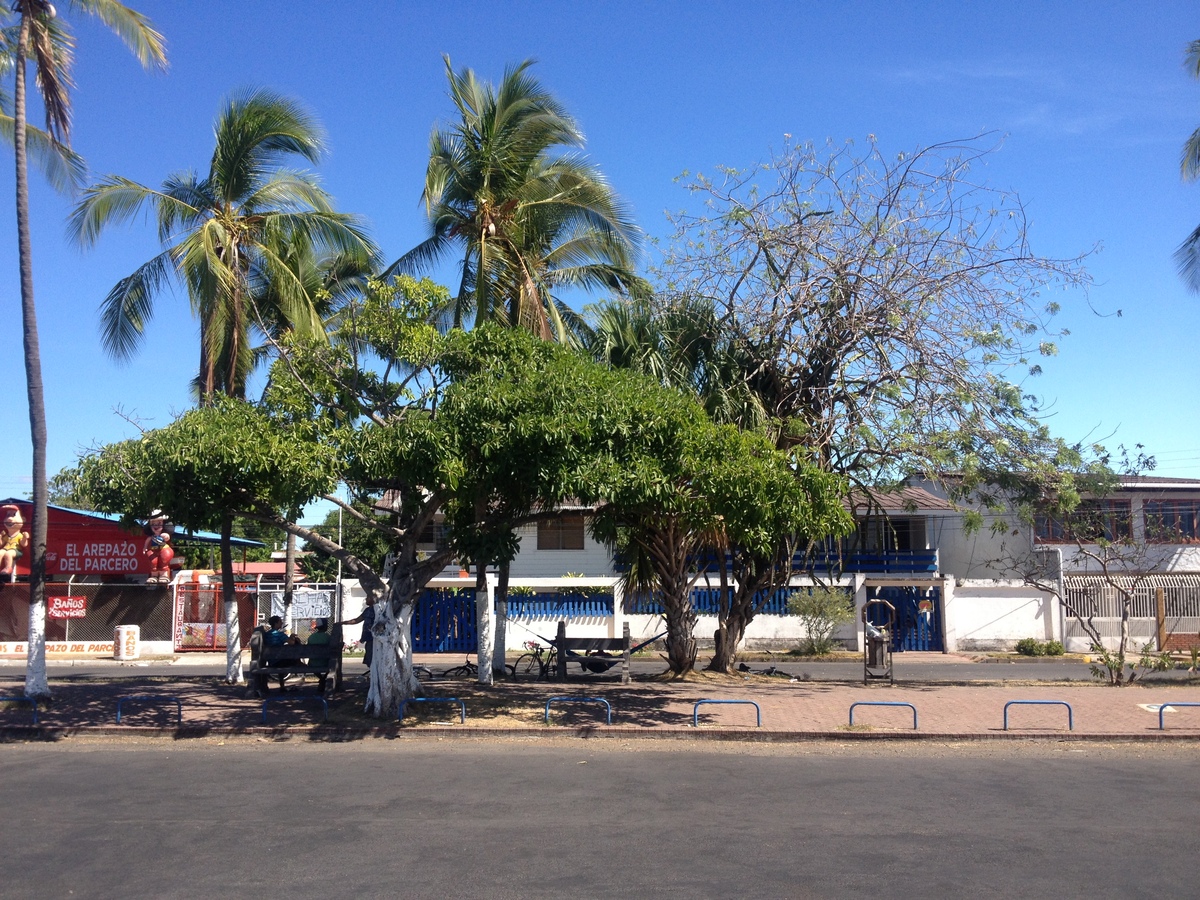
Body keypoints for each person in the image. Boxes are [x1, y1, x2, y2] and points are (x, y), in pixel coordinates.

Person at [340, 596, 376, 675]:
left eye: (368, 598)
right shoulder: (367, 610)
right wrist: (343, 623)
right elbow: (356, 620)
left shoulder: (378, 610)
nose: (366, 599)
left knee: (374, 658)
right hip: (368, 638)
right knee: (369, 658)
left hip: (375, 639)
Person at [142, 510, 175, 584]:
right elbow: (147, 541)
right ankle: (154, 576)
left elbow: (167, 538)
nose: (156, 526)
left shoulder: (163, 534)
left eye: (159, 523)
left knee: (164, 560)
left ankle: (164, 575)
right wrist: (145, 548)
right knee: (153, 562)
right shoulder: (152, 536)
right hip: (154, 550)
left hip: (163, 548)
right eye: (153, 523)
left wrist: (166, 536)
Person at [0, 505, 29, 578]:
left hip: (16, 550)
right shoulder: (6, 536)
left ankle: (8, 568)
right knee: (0, 552)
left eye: (13, 515)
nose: (9, 518)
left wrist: (25, 538)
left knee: (8, 554)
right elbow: (1, 544)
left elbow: (24, 544)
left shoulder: (20, 535)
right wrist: (0, 537)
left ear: (23, 519)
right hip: (6, 548)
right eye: (8, 515)